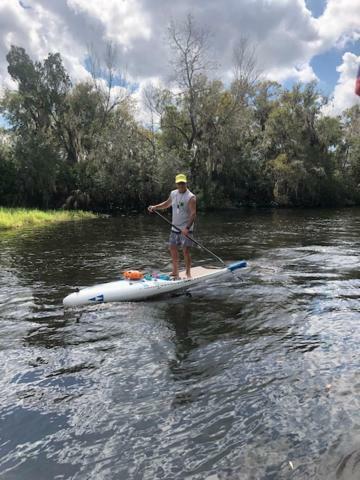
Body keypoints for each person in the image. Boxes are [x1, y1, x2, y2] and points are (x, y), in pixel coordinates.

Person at [148, 174, 196, 279]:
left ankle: (188, 273)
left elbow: (193, 214)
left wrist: (187, 228)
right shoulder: (173, 193)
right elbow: (167, 204)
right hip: (174, 228)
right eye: (179, 183)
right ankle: (175, 272)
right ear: (176, 184)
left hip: (185, 229)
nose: (181, 185)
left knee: (186, 251)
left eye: (183, 183)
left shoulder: (191, 197)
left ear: (186, 183)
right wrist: (155, 207)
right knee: (172, 249)